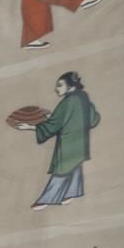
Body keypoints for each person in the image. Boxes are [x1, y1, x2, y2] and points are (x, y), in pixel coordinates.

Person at [22, 70, 100, 207]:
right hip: (81, 143)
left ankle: (47, 200)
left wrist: (29, 126)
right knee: (75, 166)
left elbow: (53, 125)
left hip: (68, 143)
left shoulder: (68, 101)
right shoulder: (83, 97)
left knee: (62, 170)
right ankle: (71, 193)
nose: (56, 89)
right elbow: (93, 119)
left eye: (59, 85)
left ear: (69, 87)